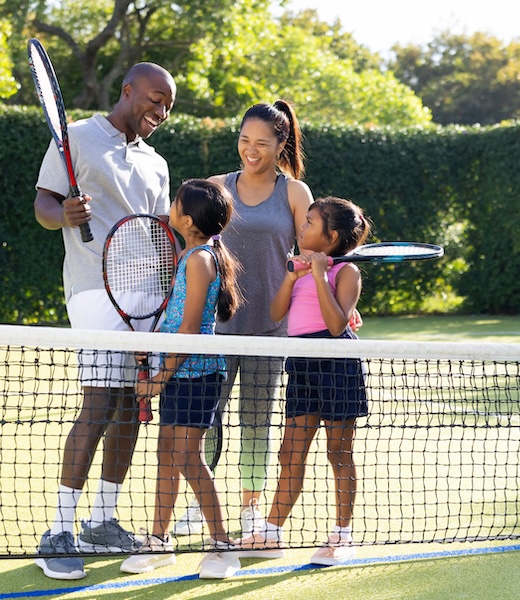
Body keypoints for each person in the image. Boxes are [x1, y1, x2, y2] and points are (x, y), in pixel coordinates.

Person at [174, 100, 361, 545]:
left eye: (261, 143)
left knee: (256, 421)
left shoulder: (295, 192)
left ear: (281, 144)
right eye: (244, 141)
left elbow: (315, 248)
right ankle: (198, 506)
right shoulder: (217, 186)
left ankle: (251, 508)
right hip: (217, 327)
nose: (251, 151)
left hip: (274, 330)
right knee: (206, 420)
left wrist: (342, 297)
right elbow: (193, 241)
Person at [32, 62, 176, 580]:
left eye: (167, 106)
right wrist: (63, 214)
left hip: (146, 297)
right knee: (98, 402)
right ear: (128, 90)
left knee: (129, 404)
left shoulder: (157, 164)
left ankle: (103, 519)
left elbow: (163, 233)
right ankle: (59, 530)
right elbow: (43, 204)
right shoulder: (76, 138)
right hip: (94, 289)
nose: (158, 111)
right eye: (154, 99)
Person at [119, 179, 244, 579]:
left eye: (175, 204)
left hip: (197, 374)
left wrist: (158, 377)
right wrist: (153, 347)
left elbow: (190, 329)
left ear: (187, 219)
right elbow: (175, 322)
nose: (169, 206)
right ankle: (159, 540)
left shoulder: (199, 259)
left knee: (188, 459)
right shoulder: (191, 253)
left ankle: (222, 545)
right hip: (178, 371)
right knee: (167, 456)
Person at [238, 196, 371, 566]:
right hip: (301, 363)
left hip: (337, 363)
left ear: (330, 237)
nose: (302, 227)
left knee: (338, 454)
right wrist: (294, 276)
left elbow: (335, 325)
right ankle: (271, 534)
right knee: (289, 453)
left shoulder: (346, 273)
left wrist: (318, 276)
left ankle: (342, 536)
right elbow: (277, 312)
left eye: (310, 223)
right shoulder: (295, 266)